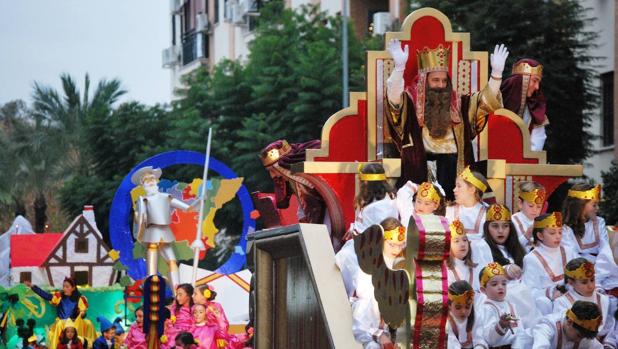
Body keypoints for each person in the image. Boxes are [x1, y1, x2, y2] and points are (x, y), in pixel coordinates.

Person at [384, 39, 509, 197]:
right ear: (424, 81)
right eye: (435, 80)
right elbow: (393, 100)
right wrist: (399, 68)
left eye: (444, 81)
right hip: (421, 171)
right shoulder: (411, 102)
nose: (441, 85)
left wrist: (496, 75)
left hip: (455, 171)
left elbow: (484, 102)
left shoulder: (460, 104)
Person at [335, 163, 398, 298]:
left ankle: (349, 297)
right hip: (367, 245)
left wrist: (355, 232)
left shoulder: (379, 207)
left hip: (372, 250)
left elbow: (372, 233)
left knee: (343, 259)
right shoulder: (381, 200)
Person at [132, 166, 199, 289]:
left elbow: (187, 208)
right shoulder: (143, 200)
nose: (150, 181)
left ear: (156, 181)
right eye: (146, 180)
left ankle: (177, 292)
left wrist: (199, 201)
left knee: (172, 261)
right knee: (151, 268)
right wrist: (138, 224)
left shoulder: (166, 197)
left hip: (165, 232)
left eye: (152, 178)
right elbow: (140, 220)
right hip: (151, 232)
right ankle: (151, 287)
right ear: (143, 184)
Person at [351, 218, 406, 348]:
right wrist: (379, 334)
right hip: (371, 331)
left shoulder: (404, 266)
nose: (397, 250)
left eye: (400, 244)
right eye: (391, 244)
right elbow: (362, 310)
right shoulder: (368, 268)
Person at [552, 258, 616, 348]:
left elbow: (613, 328)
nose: (590, 286)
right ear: (571, 282)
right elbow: (566, 334)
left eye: (592, 280)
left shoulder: (605, 300)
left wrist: (609, 344)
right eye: (584, 282)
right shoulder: (562, 303)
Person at [523, 212, 577, 315]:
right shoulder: (531, 258)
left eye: (560, 232)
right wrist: (550, 293)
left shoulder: (568, 251)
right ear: (540, 235)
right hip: (549, 302)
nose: (558, 237)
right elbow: (529, 291)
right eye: (552, 233)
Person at [26, 277, 96, 349]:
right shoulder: (59, 296)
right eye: (64, 286)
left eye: (67, 286)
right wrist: (32, 286)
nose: (64, 288)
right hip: (62, 322)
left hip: (75, 322)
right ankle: (56, 346)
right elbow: (46, 296)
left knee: (88, 323)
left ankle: (90, 344)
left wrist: (83, 313)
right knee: (60, 324)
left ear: (73, 288)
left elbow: (83, 313)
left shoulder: (79, 298)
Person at [478, 263, 531, 348]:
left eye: (504, 283)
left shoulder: (511, 305)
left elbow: (520, 330)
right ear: (483, 290)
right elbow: (490, 339)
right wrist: (501, 325)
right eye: (494, 284)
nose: (500, 287)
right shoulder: (486, 308)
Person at [500, 59, 547, 151]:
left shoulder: (536, 110)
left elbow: (536, 145)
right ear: (522, 80)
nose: (537, 87)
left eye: (538, 82)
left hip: (522, 162)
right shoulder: (497, 102)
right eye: (535, 80)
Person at [532, 300, 604, 348]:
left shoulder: (582, 331)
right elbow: (540, 346)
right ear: (570, 322)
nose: (580, 340)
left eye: (583, 337)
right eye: (578, 336)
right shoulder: (547, 325)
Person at [446, 167, 490, 240]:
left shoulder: (487, 212)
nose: (454, 190)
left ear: (472, 190)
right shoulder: (450, 210)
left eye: (459, 186)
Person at [447, 280, 486, 349]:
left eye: (467, 307)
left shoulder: (477, 317)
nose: (463, 311)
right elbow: (451, 343)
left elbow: (480, 340)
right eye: (458, 307)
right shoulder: (446, 321)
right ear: (449, 305)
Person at [445, 220, 480, 292]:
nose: (462, 244)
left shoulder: (475, 268)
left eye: (464, 240)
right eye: (456, 241)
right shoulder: (445, 270)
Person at [511, 181, 546, 252]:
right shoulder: (512, 221)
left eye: (539, 207)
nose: (535, 210)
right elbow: (511, 247)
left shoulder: (542, 221)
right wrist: (527, 235)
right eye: (531, 206)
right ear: (520, 203)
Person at [162, 284, 195, 349]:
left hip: (190, 336)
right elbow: (169, 323)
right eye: (177, 294)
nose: (177, 297)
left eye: (180, 294)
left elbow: (195, 325)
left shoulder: (195, 309)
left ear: (188, 295)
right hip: (175, 335)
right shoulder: (174, 308)